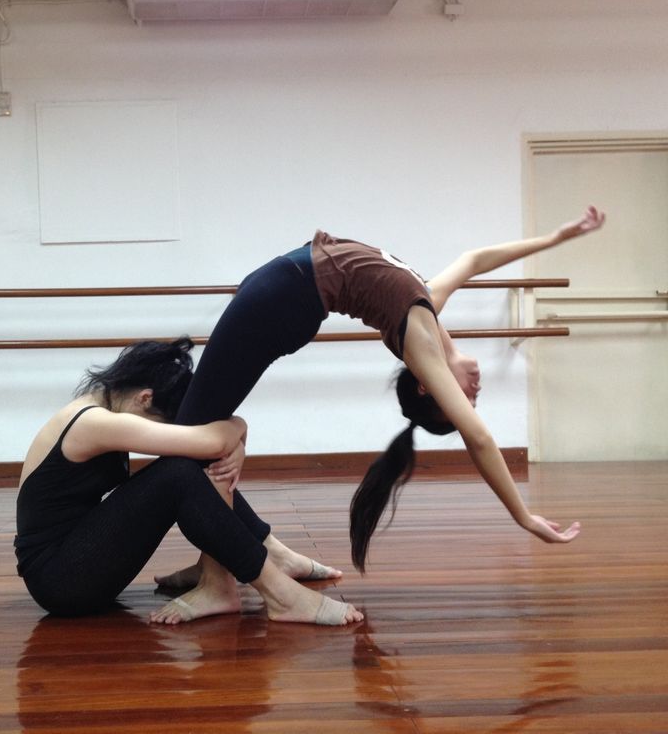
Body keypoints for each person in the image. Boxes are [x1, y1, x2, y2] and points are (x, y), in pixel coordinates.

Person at [154, 206, 605, 616]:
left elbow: (480, 438)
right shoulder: (428, 308)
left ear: (428, 387)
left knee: (194, 438)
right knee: (197, 433)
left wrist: (522, 516)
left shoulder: (422, 345)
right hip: (280, 290)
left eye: (462, 400)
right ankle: (252, 552)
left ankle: (220, 582)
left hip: (279, 299)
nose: (473, 392)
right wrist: (557, 237)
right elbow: (473, 260)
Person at [14, 338, 363, 625]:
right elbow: (211, 441)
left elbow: (210, 443)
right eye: (162, 419)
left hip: (76, 562)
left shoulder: (100, 409)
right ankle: (279, 592)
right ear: (145, 397)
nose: (163, 427)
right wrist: (238, 431)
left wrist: (231, 439)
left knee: (186, 465)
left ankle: (266, 551)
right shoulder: (93, 423)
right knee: (179, 471)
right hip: (61, 581)